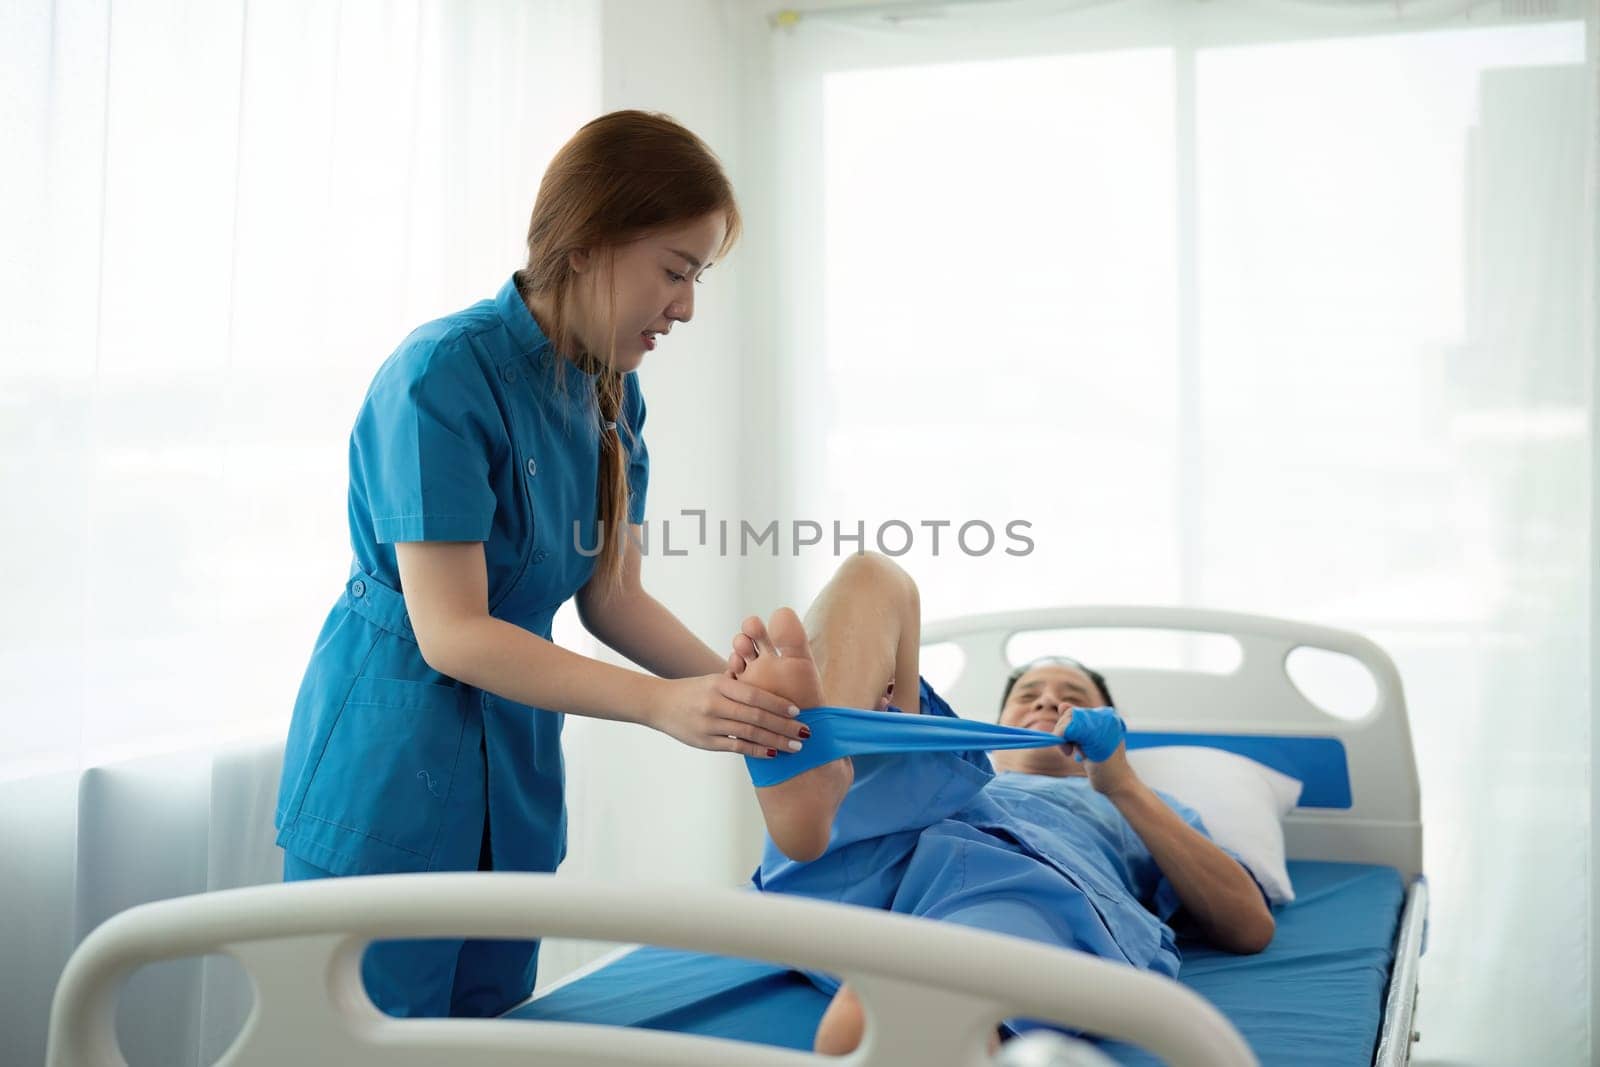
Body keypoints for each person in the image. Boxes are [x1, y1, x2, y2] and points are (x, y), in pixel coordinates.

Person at [273, 110, 807, 1020]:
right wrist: (660, 706)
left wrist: (737, 696)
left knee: (492, 1035)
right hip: (391, 775)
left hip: (509, 782)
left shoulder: (610, 394)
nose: (686, 307)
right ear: (591, 241)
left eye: (697, 277)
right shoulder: (441, 374)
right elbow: (453, 632)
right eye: (675, 271)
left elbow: (613, 595)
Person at [725, 553, 1275, 1054]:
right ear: (1000, 722)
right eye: (1029, 696)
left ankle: (812, 743)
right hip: (880, 822)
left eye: (1072, 695)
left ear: (1110, 721)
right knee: (873, 577)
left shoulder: (1134, 804)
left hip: (1010, 882)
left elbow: (1248, 927)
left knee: (900, 1007)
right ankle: (823, 751)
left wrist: (1121, 783)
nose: (1050, 700)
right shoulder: (955, 764)